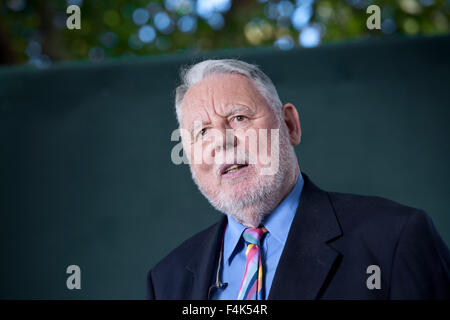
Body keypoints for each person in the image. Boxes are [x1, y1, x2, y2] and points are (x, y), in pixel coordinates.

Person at [146, 59, 450, 299]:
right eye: (202, 133)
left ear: (290, 124)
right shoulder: (166, 282)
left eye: (239, 118)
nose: (222, 142)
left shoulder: (393, 241)